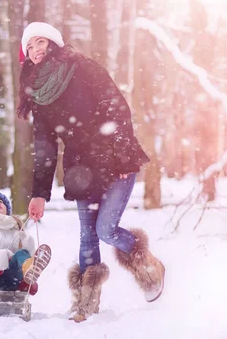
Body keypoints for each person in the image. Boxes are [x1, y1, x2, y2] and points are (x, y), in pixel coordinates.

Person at [18, 22, 165, 322]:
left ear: (54, 43)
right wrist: (39, 194)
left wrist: (124, 154)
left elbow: (117, 107)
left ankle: (147, 265)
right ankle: (86, 305)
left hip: (113, 158)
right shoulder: (39, 96)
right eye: (29, 46)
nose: (35, 50)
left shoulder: (81, 67)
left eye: (40, 42)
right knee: (87, 236)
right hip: (80, 169)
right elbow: (45, 146)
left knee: (105, 229)